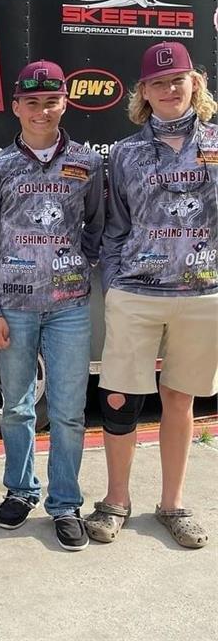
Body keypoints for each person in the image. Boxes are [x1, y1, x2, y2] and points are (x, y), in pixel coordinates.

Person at [84, 41, 217, 549]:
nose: (168, 90)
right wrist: (116, 283)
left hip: (202, 293)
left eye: (176, 80)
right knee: (119, 399)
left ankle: (174, 504)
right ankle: (116, 500)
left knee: (179, 398)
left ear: (194, 83)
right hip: (137, 291)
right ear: (143, 92)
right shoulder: (124, 153)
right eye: (157, 83)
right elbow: (113, 225)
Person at [0, 60, 104, 551]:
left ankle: (65, 503)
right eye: (32, 102)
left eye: (51, 100)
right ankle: (20, 490)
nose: (42, 110)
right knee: (17, 408)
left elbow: (97, 227)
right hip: (15, 305)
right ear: (16, 107)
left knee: (69, 412)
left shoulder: (89, 165)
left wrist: (74, 263)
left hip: (70, 305)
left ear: (64, 103)